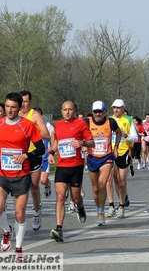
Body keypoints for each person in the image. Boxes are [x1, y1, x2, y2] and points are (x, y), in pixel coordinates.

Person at [0, 92, 45, 259]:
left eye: (13, 107)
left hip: (21, 174)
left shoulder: (27, 125)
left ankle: (19, 248)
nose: (9, 110)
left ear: (20, 108)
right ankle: (7, 231)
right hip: (2, 172)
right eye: (7, 106)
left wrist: (26, 155)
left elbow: (41, 149)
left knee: (19, 213)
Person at [48, 101, 94, 242]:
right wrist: (51, 151)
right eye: (65, 110)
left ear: (74, 111)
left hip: (76, 166)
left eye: (70, 109)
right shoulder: (58, 125)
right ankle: (59, 228)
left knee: (75, 198)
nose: (67, 112)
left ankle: (80, 207)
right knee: (61, 196)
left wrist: (82, 143)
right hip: (62, 166)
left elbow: (92, 142)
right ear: (61, 111)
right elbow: (57, 141)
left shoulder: (81, 124)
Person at [18, 90, 50, 231]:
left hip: (33, 155)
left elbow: (45, 133)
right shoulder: (15, 115)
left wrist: (30, 132)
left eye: (26, 101)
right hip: (18, 156)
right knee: (18, 188)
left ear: (30, 102)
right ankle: (19, 217)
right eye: (21, 101)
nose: (23, 104)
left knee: (34, 187)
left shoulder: (35, 115)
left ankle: (36, 212)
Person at [85, 101, 120, 226]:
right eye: (95, 111)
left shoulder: (110, 122)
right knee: (95, 189)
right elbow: (80, 134)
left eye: (100, 111)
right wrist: (84, 144)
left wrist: (115, 146)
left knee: (102, 184)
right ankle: (98, 207)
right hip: (92, 157)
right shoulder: (87, 122)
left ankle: (101, 212)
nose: (98, 114)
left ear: (104, 111)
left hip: (106, 157)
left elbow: (119, 132)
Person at [106, 99, 138, 218]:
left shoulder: (128, 120)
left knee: (121, 180)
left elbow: (135, 138)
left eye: (118, 108)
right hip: (109, 152)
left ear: (123, 109)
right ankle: (111, 205)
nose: (116, 110)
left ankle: (122, 204)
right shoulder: (108, 120)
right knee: (110, 179)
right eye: (114, 107)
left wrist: (126, 135)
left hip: (123, 151)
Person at [33, 107, 55, 199]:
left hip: (45, 158)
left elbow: (54, 136)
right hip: (34, 157)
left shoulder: (47, 126)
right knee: (34, 183)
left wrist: (52, 149)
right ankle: (38, 201)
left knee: (43, 180)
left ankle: (47, 184)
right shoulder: (30, 125)